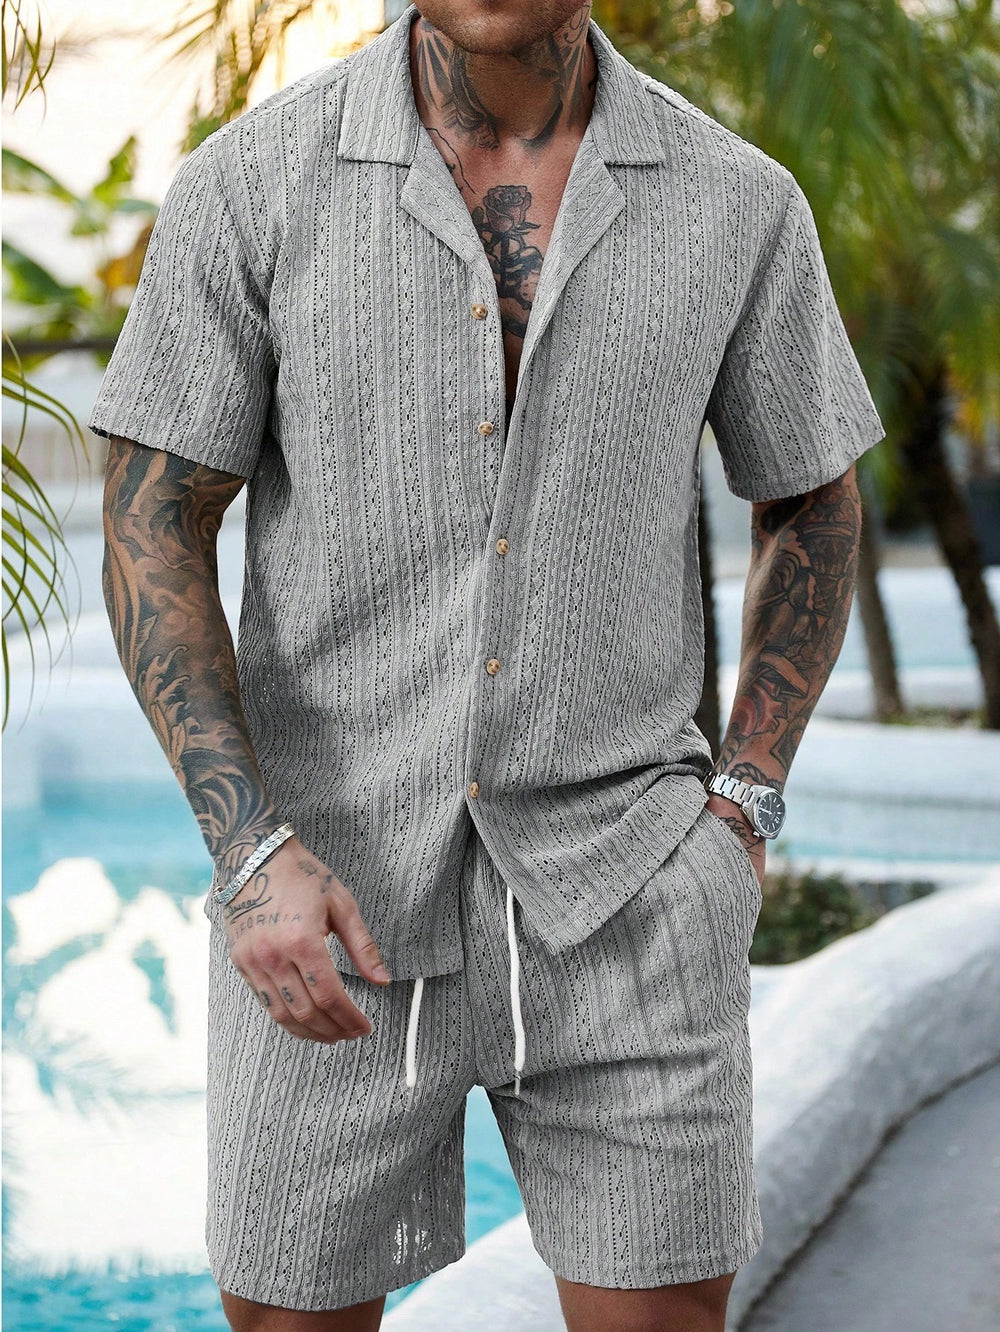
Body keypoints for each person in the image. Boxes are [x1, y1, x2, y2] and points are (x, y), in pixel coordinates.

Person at [90, 1, 885, 1328]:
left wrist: (745, 798)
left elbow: (811, 496)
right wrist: (248, 849)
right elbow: (153, 520)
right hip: (327, 911)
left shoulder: (739, 202)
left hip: (629, 894)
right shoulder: (249, 186)